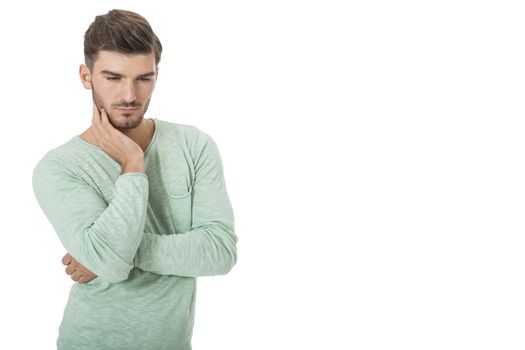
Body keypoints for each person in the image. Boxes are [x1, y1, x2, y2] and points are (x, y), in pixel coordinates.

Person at [31, 9, 238, 350]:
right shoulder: (59, 167)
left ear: (157, 74)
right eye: (113, 78)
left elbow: (219, 251)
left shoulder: (194, 145)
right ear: (86, 76)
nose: (130, 95)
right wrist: (132, 163)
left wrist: (107, 253)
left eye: (143, 78)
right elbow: (110, 263)